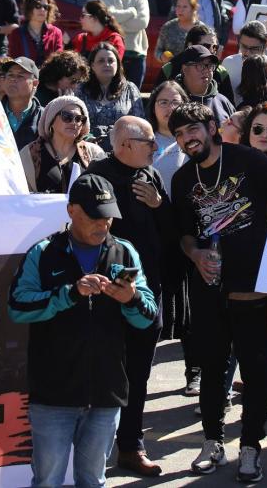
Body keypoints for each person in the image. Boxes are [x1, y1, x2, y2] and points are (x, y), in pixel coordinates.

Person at [169, 102, 267, 482]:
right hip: (208, 291)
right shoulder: (183, 179)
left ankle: (250, 447)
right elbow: (184, 233)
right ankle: (213, 442)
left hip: (253, 289)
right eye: (179, 134)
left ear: (212, 127)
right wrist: (196, 254)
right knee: (212, 370)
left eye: (192, 129)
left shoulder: (247, 160)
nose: (186, 139)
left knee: (255, 373)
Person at [9, 173, 156, 488]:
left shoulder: (125, 251)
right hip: (53, 396)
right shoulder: (43, 252)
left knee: (93, 480)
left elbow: (148, 317)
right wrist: (70, 294)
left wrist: (130, 299)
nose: (103, 225)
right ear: (71, 210)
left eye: (108, 217)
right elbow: (17, 307)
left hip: (106, 392)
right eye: (94, 217)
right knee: (47, 481)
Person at [85, 116, 179, 476]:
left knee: (138, 374)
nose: (156, 148)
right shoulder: (97, 178)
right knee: (103, 373)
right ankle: (92, 453)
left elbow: (170, 230)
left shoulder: (151, 176)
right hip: (107, 294)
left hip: (147, 292)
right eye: (148, 142)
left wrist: (159, 205)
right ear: (125, 144)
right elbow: (88, 233)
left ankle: (131, 446)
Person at [20, 95, 106, 194]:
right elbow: (20, 193)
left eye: (79, 119)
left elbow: (105, 189)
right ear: (51, 121)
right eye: (67, 116)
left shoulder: (94, 153)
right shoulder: (29, 154)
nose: (73, 122)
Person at [100, 0, 151, 88]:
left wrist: (117, 21)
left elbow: (142, 22)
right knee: (112, 92)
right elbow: (106, 21)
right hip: (112, 53)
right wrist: (132, 12)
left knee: (134, 93)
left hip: (136, 54)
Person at [77, 43, 145, 138]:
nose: (107, 64)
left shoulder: (130, 89)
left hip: (122, 144)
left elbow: (139, 123)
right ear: (92, 65)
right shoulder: (80, 89)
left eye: (111, 60)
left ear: (118, 64)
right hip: (88, 143)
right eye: (101, 61)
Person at [172, 44, 236, 124]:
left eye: (210, 65)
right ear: (184, 69)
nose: (206, 70)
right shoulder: (172, 101)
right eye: (200, 65)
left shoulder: (223, 102)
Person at [8, 0, 64, 66]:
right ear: (29, 9)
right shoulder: (16, 33)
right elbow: (13, 62)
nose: (42, 10)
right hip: (25, 73)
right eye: (38, 6)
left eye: (45, 7)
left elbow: (59, 61)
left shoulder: (56, 32)